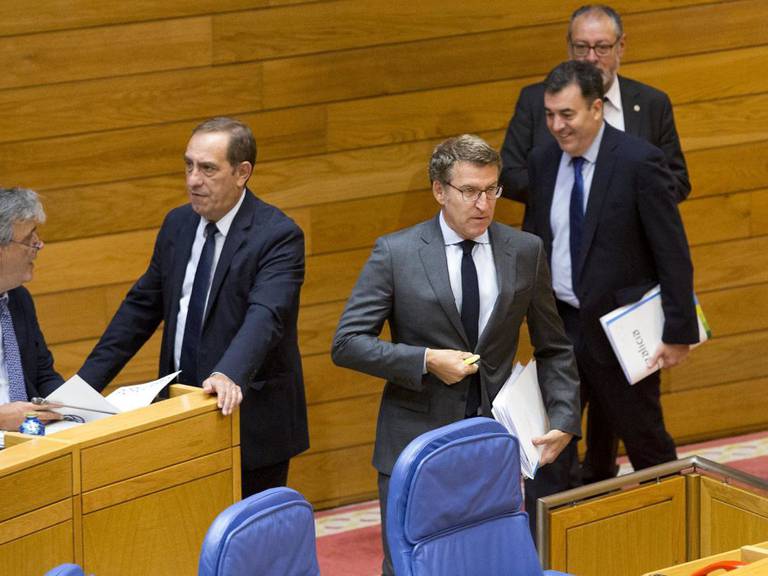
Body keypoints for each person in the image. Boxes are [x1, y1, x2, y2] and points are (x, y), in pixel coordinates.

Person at [331, 134, 581, 573]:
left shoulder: (524, 251)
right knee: (413, 566)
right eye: (469, 191)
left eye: (491, 190)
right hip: (413, 447)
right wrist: (425, 359)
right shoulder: (397, 253)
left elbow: (555, 345)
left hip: (493, 445)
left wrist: (563, 417)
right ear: (439, 191)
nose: (483, 204)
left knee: (488, 563)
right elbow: (347, 343)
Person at [501, 4, 690, 482]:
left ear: (595, 108)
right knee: (549, 452)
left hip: (623, 325)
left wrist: (678, 330)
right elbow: (542, 238)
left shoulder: (638, 161)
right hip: (562, 327)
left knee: (647, 444)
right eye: (549, 116)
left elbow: (672, 251)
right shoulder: (544, 160)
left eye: (567, 115)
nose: (558, 125)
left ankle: (680, 544)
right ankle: (551, 551)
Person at [78, 118, 309, 497]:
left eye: (207, 169)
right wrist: (83, 390)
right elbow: (138, 311)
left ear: (242, 173)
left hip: (248, 418)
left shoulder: (277, 235)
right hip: (179, 414)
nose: (192, 180)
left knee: (244, 544)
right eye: (188, 165)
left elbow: (266, 316)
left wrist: (227, 373)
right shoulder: (178, 225)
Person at [501, 4, 689, 205]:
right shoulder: (536, 100)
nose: (591, 58)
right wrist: (568, 191)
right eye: (581, 47)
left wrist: (621, 200)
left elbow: (677, 182)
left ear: (621, 46)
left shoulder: (651, 103)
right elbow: (508, 174)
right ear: (569, 47)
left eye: (602, 48)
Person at [0, 187, 63, 431]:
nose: (39, 245)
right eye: (29, 239)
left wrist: (77, 410)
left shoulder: (18, 299)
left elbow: (43, 375)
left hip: (29, 440)